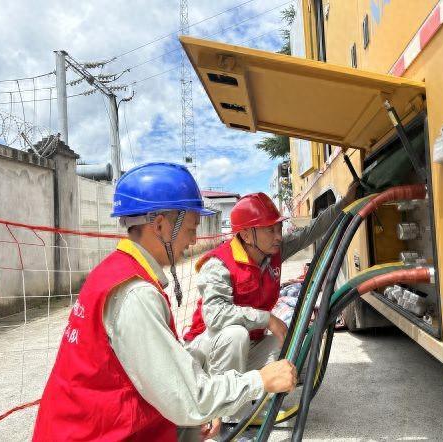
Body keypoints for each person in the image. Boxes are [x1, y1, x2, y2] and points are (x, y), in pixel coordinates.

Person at [32, 162, 297, 441]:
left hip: (91, 425)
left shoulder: (115, 272)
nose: (194, 240)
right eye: (191, 229)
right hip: (99, 433)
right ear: (160, 226)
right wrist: (260, 381)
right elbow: (187, 397)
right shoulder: (135, 294)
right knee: (233, 341)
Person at [183, 182, 357, 425]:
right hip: (207, 354)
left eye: (278, 228)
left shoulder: (272, 251)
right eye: (270, 230)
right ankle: (227, 415)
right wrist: (266, 318)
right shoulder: (219, 264)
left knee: (296, 351)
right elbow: (214, 315)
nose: (278, 236)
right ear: (245, 235)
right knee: (235, 334)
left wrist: (345, 202)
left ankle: (249, 399)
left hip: (244, 347)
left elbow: (312, 230)